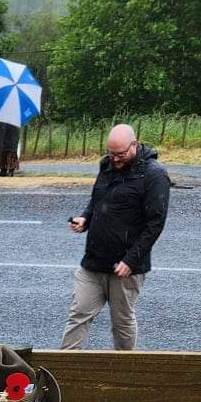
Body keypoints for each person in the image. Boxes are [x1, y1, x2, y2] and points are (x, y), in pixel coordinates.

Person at [61, 124, 171, 352]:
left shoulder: (154, 175)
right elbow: (99, 198)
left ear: (135, 144)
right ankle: (63, 370)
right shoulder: (107, 164)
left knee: (121, 323)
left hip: (126, 268)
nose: (115, 159)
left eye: (120, 154)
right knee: (78, 315)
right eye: (111, 153)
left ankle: (127, 371)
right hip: (94, 261)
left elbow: (155, 223)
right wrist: (85, 218)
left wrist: (131, 260)